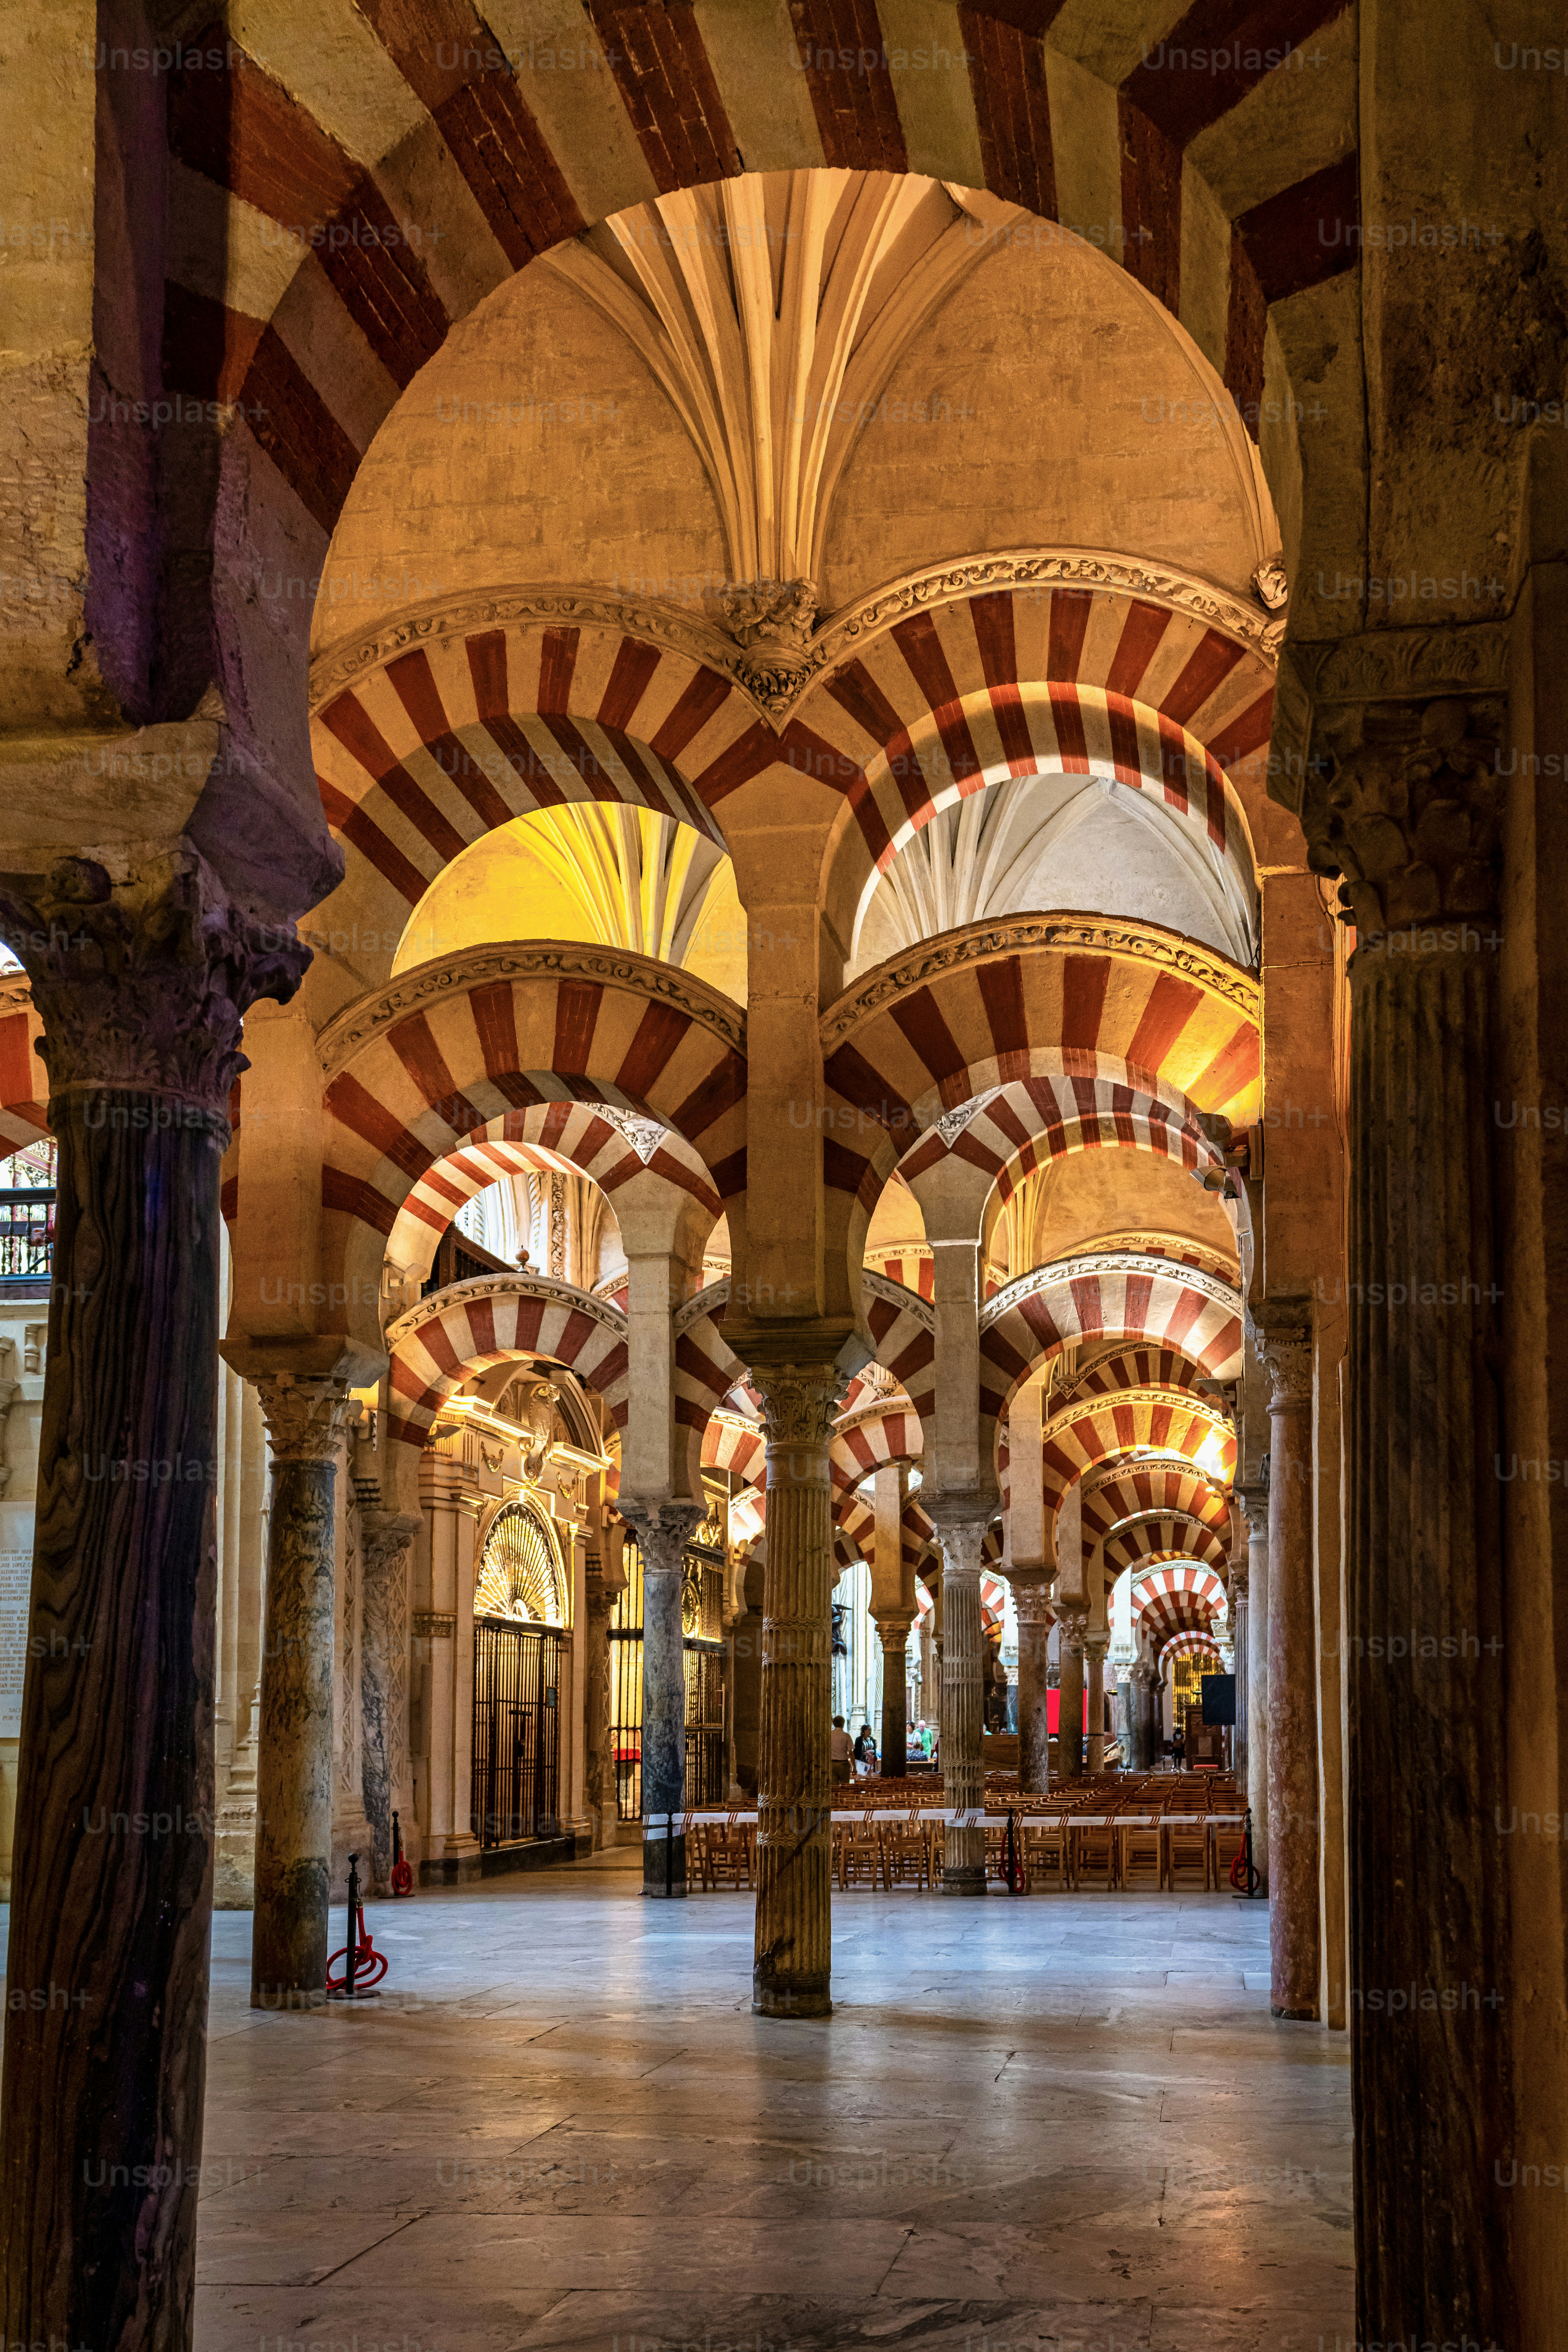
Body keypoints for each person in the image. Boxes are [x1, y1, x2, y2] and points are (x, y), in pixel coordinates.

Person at [830, 1714, 854, 1786]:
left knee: (834, 1786)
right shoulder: (846, 1736)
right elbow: (851, 1753)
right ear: (843, 1724)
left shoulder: (830, 1735)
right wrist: (855, 1767)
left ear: (834, 1724)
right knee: (845, 1786)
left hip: (832, 1764)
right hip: (843, 1764)